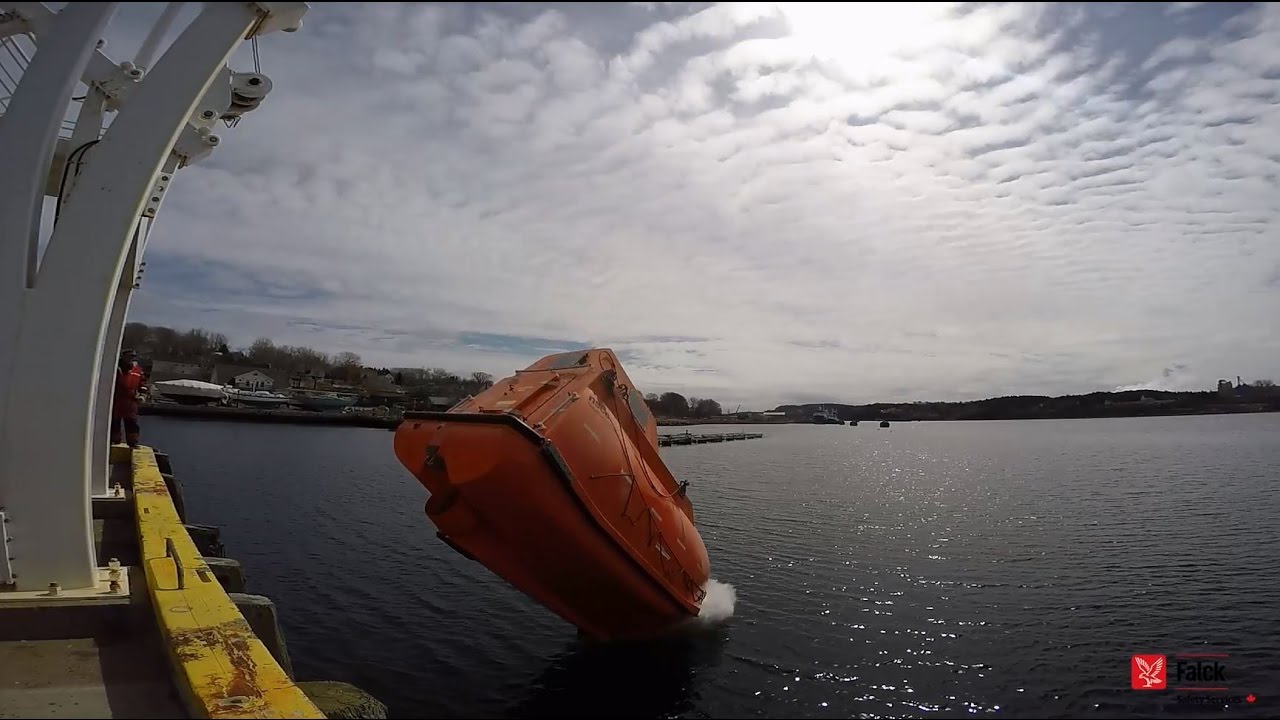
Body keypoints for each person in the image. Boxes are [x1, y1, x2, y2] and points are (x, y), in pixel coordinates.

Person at [112, 349, 146, 447]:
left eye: (133, 357)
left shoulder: (138, 370)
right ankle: (114, 441)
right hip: (116, 400)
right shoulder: (115, 368)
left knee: (132, 423)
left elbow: (143, 384)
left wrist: (142, 395)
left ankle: (133, 443)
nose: (131, 359)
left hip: (131, 402)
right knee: (114, 422)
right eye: (129, 356)